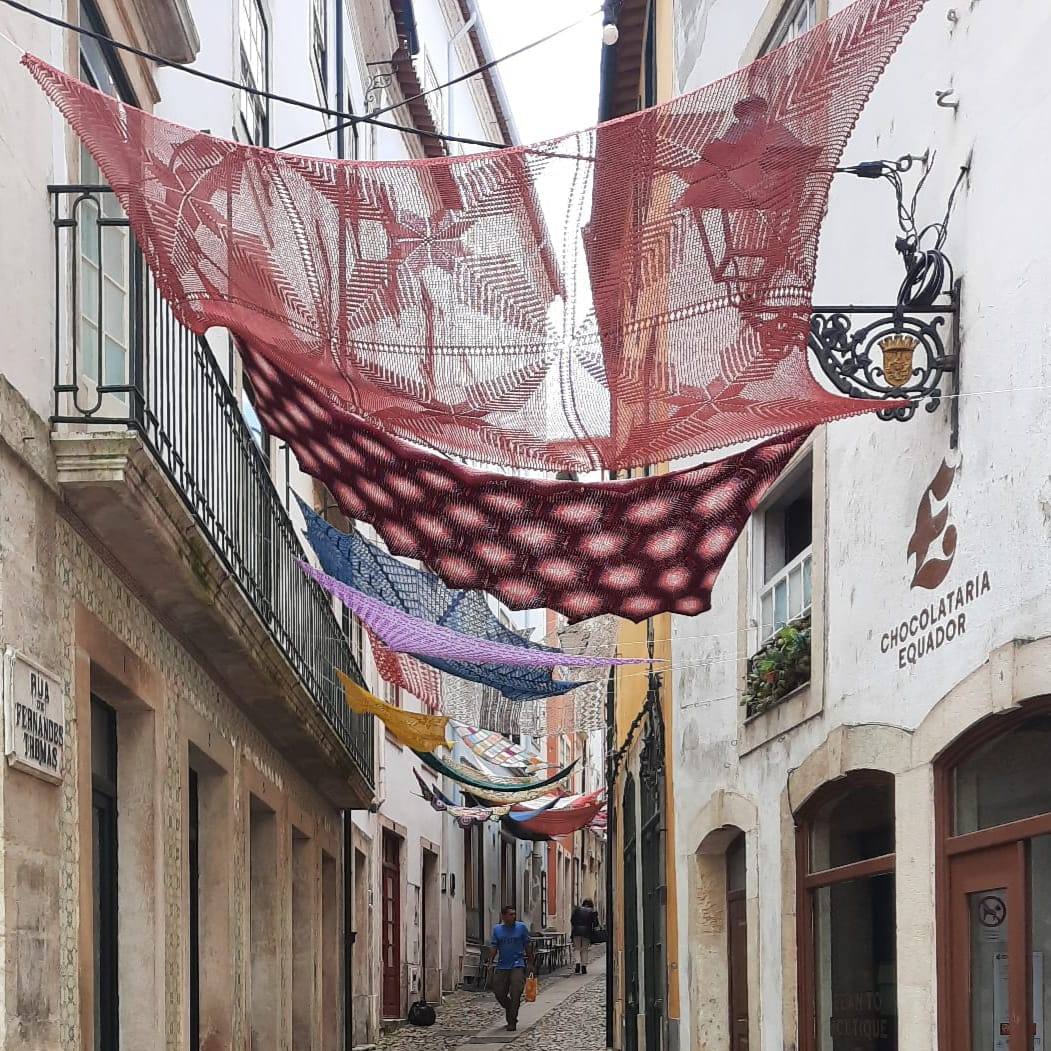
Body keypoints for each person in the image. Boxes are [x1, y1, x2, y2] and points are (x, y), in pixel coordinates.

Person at [489, 905, 534, 1032]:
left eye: (514, 914)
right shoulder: (497, 929)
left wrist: (530, 963)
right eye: (510, 914)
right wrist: (491, 962)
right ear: (503, 916)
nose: (513, 916)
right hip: (502, 965)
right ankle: (510, 1008)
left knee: (516, 992)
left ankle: (512, 1020)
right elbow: (494, 946)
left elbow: (527, 945)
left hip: (517, 964)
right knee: (498, 992)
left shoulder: (521, 928)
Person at [570, 898, 599, 974]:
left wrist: (576, 926)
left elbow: (572, 920)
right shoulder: (592, 911)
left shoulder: (577, 910)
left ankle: (577, 963)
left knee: (577, 949)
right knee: (585, 949)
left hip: (576, 931)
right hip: (586, 932)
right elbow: (596, 924)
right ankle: (583, 967)